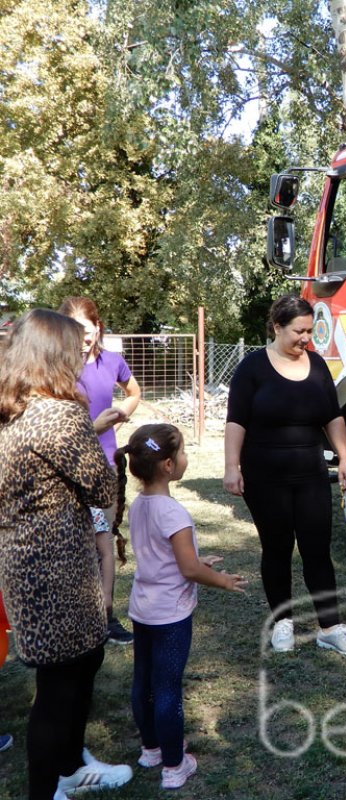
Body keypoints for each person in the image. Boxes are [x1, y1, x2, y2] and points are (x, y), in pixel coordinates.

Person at [0, 309, 133, 800]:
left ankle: (72, 764)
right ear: (54, 355)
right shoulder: (58, 413)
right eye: (75, 349)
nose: (82, 358)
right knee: (58, 690)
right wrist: (92, 427)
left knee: (85, 659)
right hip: (56, 570)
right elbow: (101, 486)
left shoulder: (13, 407)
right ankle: (49, 787)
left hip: (26, 564)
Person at [223, 295, 346, 657]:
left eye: (309, 331)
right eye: (298, 331)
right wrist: (231, 466)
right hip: (265, 475)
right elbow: (236, 420)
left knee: (317, 549)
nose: (306, 339)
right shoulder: (252, 369)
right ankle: (282, 622)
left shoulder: (317, 366)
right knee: (278, 549)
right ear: (277, 327)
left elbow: (333, 416)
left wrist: (345, 457)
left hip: (311, 474)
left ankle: (330, 627)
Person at [114, 424, 247, 790]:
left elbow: (168, 557)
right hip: (171, 616)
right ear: (169, 465)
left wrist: (203, 559)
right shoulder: (173, 514)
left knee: (143, 683)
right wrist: (221, 579)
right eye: (185, 452)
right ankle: (174, 766)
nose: (188, 457)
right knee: (168, 689)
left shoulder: (140, 505)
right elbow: (187, 568)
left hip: (143, 610)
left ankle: (152, 748)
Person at [59, 296, 142, 645]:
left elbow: (134, 392)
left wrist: (121, 414)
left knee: (103, 538)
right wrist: (92, 427)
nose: (84, 338)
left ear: (99, 328)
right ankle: (75, 615)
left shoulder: (112, 361)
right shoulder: (56, 367)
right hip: (66, 467)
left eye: (89, 330)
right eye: (76, 331)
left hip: (104, 465)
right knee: (73, 544)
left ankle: (106, 616)